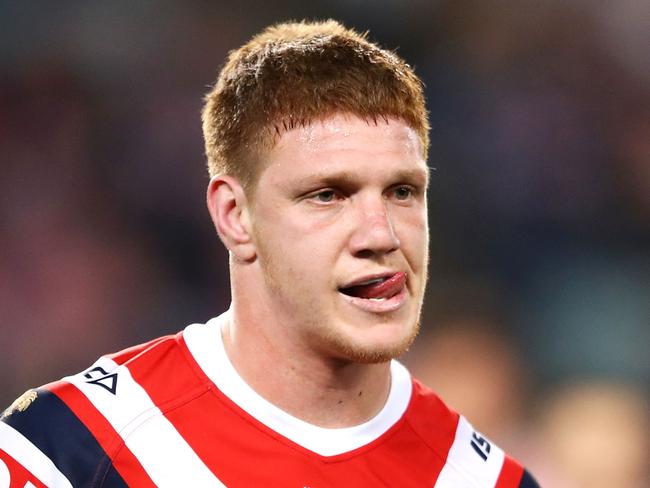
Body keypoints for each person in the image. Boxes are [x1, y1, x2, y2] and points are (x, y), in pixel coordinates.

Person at [0, 20, 538, 487]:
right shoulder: (71, 453)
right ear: (235, 215)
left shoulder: (483, 479)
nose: (381, 234)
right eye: (328, 194)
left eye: (402, 191)